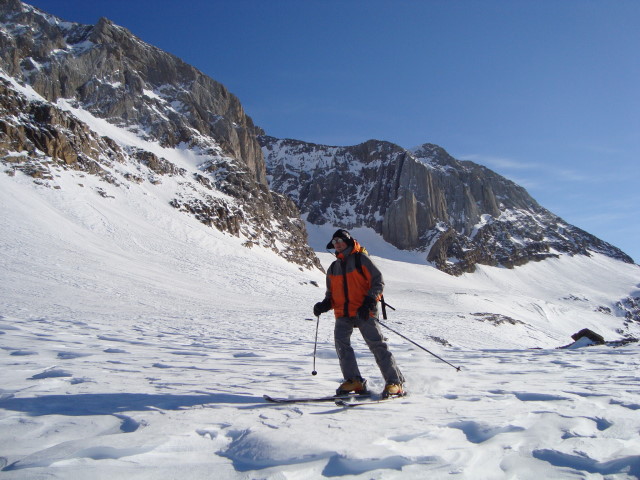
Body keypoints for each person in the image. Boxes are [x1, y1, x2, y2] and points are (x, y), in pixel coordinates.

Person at [313, 229, 405, 397]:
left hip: (363, 310)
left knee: (377, 345)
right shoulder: (333, 268)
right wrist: (324, 305)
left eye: (340, 240)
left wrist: (370, 301)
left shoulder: (361, 259)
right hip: (342, 313)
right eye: (334, 241)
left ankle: (395, 382)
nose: (337, 244)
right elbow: (331, 295)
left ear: (348, 241)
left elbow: (378, 282)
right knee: (342, 345)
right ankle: (354, 380)